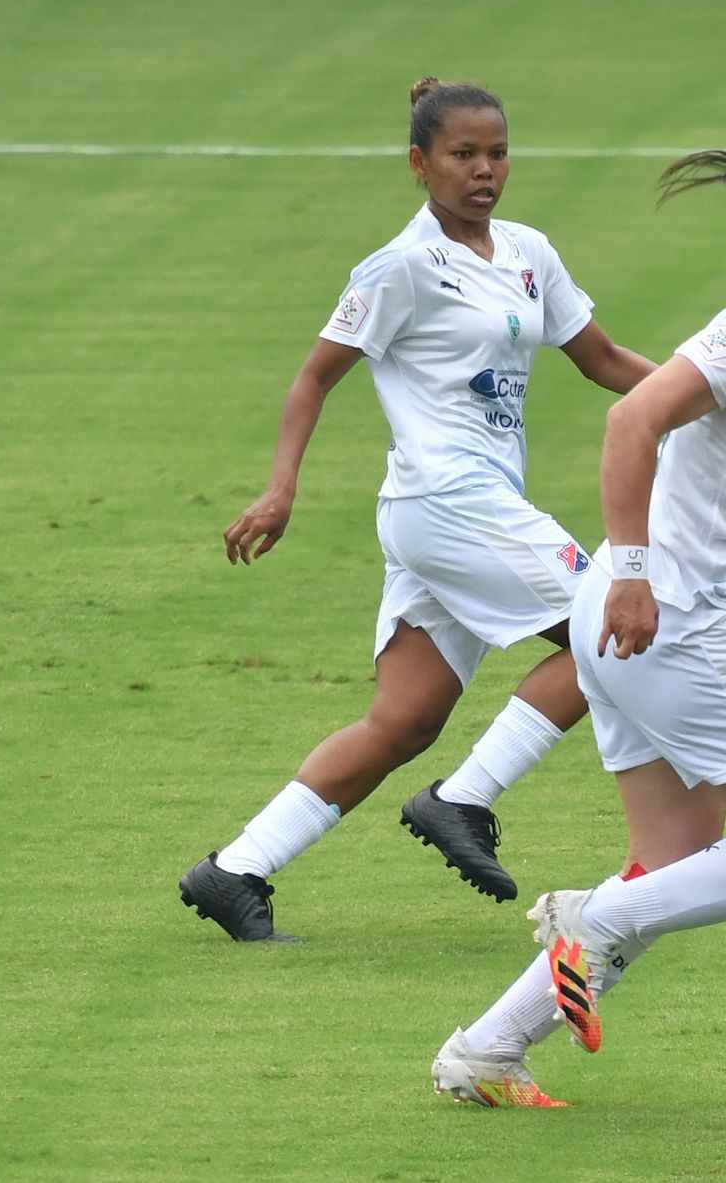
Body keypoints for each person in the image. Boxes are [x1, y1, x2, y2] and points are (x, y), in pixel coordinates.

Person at [430, 152, 726, 1108]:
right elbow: (631, 422)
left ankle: (484, 1051)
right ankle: (593, 916)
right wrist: (640, 573)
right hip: (667, 614)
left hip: (638, 622)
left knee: (676, 865)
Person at [180, 79, 656, 941]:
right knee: (607, 631)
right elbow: (314, 375)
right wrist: (281, 487)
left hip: (462, 512)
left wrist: (708, 392)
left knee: (404, 719)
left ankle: (234, 868)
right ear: (419, 163)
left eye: (497, 153)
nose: (484, 171)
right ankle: (462, 798)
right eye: (463, 155)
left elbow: (604, 358)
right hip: (445, 501)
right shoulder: (400, 265)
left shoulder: (526, 251)